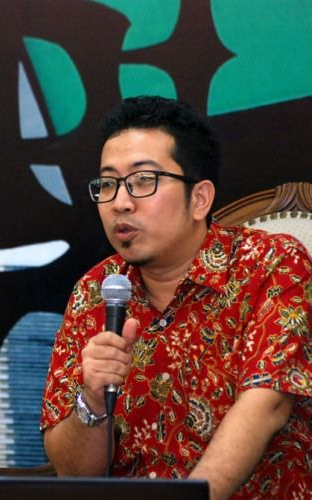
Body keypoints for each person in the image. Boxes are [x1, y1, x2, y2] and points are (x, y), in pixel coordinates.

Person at [41, 95, 311, 499]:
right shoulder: (96, 291)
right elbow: (73, 474)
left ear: (199, 198)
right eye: (108, 184)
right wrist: (93, 401)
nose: (120, 203)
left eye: (143, 180)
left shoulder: (271, 265)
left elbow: (266, 406)